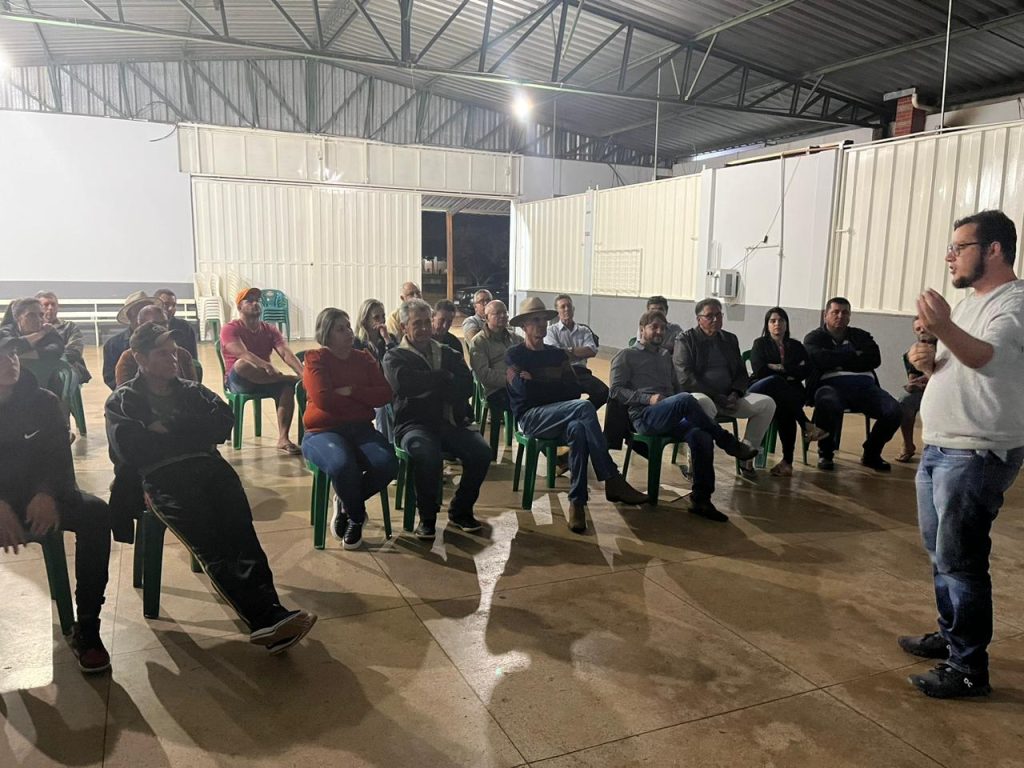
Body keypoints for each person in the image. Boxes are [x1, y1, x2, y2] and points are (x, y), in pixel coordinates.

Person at [105, 323, 317, 653]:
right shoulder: (123, 400)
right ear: (139, 358)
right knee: (212, 544)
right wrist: (190, 432)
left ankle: (273, 613)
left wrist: (166, 428)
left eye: (173, 352)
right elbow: (132, 449)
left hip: (211, 470)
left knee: (242, 537)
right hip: (163, 478)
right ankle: (263, 619)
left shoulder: (193, 391)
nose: (173, 359)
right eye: (162, 353)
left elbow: (222, 423)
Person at [897, 210, 1024, 699]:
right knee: (942, 554)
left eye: (960, 247)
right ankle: (951, 637)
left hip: (976, 454)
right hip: (942, 448)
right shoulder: (969, 304)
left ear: (994, 249)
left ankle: (969, 667)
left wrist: (943, 327)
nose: (950, 256)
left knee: (962, 561)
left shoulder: (1014, 304)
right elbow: (964, 367)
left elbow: (986, 359)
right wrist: (929, 363)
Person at [0, 335, 113, 673]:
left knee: (96, 513)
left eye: (12, 353)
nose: (10, 361)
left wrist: (47, 492)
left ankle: (87, 626)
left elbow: (58, 455)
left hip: (39, 497)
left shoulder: (42, 400)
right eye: (0, 356)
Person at [507, 297, 648, 534]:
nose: (541, 325)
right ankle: (611, 477)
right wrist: (552, 385)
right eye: (535, 320)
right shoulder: (515, 355)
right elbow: (522, 392)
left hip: (561, 416)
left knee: (579, 429)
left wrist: (537, 381)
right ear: (524, 326)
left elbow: (573, 389)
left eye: (544, 320)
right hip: (531, 419)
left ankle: (577, 503)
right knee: (583, 408)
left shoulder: (558, 355)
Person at [610, 310, 760, 522]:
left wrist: (674, 401)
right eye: (654, 327)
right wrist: (648, 399)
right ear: (642, 329)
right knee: (685, 400)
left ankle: (701, 500)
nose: (659, 331)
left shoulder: (665, 356)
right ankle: (728, 442)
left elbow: (676, 387)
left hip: (669, 413)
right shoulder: (626, 355)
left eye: (663, 328)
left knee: (701, 435)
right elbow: (615, 391)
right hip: (644, 417)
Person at [382, 298, 491, 539]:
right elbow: (404, 385)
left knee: (482, 452)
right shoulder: (394, 357)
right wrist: (442, 377)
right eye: (416, 323)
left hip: (449, 422)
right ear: (404, 327)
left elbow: (466, 385)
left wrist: (428, 385)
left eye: (426, 322)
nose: (423, 328)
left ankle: (460, 510)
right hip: (412, 425)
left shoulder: (448, 351)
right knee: (427, 455)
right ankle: (427, 518)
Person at [301, 308, 397, 550]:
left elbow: (385, 394)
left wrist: (353, 390)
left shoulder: (364, 358)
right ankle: (356, 516)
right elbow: (324, 400)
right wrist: (363, 398)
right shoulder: (315, 359)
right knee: (343, 466)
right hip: (322, 431)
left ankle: (345, 502)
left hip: (360, 429)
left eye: (348, 327)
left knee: (387, 464)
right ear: (326, 333)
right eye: (340, 329)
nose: (348, 332)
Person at [673, 298, 776, 481]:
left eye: (719, 315)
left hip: (730, 398)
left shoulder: (729, 339)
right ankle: (696, 465)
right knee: (702, 405)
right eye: (709, 316)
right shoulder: (686, 340)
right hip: (703, 395)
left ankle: (746, 456)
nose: (715, 319)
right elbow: (686, 377)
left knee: (767, 404)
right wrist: (716, 396)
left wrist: (735, 393)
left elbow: (741, 373)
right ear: (699, 319)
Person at [803, 297, 901, 472]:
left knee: (894, 411)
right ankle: (826, 453)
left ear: (849, 316)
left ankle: (871, 453)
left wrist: (834, 359)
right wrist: (855, 356)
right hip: (830, 387)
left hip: (865, 389)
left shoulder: (861, 336)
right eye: (835, 312)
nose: (840, 316)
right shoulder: (814, 338)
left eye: (845, 312)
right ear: (826, 315)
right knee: (827, 401)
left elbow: (874, 359)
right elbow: (819, 359)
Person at [220, 287, 304, 455]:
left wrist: (303, 374)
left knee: (287, 389)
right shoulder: (230, 328)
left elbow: (286, 353)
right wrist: (266, 365)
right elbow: (242, 353)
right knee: (242, 364)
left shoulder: (270, 329)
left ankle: (283, 439)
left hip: (266, 379)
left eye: (257, 300)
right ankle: (287, 378)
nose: (255, 303)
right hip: (239, 380)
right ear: (239, 307)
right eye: (249, 301)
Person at [747, 307, 828, 476]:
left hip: (790, 392)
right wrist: (790, 372)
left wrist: (780, 367)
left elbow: (806, 370)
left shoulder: (796, 346)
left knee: (785, 409)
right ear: (767, 325)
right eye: (773, 321)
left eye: (781, 320)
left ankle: (787, 463)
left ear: (786, 324)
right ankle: (806, 424)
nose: (777, 324)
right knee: (776, 383)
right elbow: (760, 370)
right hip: (763, 389)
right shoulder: (760, 344)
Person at [544, 294, 609, 411]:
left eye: (569, 306)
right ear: (557, 311)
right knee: (568, 396)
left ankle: (581, 411)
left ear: (573, 309)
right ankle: (575, 413)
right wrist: (579, 351)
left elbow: (592, 351)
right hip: (562, 374)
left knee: (604, 392)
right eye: (563, 307)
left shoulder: (584, 330)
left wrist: (568, 350)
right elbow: (556, 354)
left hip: (581, 372)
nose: (566, 309)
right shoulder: (551, 331)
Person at [115, 305, 197, 386]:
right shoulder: (128, 358)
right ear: (140, 326)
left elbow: (193, 389)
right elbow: (124, 390)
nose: (162, 327)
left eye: (165, 323)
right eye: (154, 325)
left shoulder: (183, 354)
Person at [354, 298, 398, 441]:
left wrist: (387, 340)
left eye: (383, 316)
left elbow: (398, 361)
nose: (381, 321)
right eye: (376, 317)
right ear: (365, 320)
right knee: (383, 406)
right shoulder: (357, 343)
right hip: (369, 388)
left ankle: (401, 439)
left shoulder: (389, 338)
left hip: (389, 386)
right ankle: (387, 442)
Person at [895, 316, 937, 463]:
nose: (922, 331)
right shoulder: (912, 353)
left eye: (924, 327)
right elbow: (913, 379)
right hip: (925, 390)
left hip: (947, 392)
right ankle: (908, 445)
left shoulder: (948, 349)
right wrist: (913, 385)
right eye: (918, 329)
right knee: (905, 400)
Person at [468, 300, 520, 418]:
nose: (503, 316)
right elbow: (484, 375)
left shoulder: (514, 337)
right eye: (497, 313)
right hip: (496, 390)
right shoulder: (479, 342)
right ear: (486, 317)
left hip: (518, 385)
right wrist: (511, 381)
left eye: (505, 312)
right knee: (526, 401)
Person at [1, 297, 66, 387]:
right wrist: (40, 334)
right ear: (17, 317)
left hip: (44, 382)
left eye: (41, 315)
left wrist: (20, 355)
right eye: (31, 315)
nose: (38, 319)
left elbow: (55, 350)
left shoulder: (50, 332)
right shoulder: (5, 331)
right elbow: (10, 347)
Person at [103, 291, 161, 390]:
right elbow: (110, 377)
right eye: (139, 312)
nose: (145, 316)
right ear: (130, 316)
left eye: (148, 311)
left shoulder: (166, 340)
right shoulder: (113, 345)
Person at [36, 291, 92, 384]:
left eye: (53, 304)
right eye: (46, 305)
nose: (50, 308)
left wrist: (45, 358)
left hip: (66, 370)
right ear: (38, 308)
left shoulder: (70, 327)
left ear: (58, 307)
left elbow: (74, 351)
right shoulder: (32, 329)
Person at [154, 288, 199, 360]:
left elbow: (193, 359)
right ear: (155, 305)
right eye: (166, 304)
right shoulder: (148, 328)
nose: (170, 308)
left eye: (174, 305)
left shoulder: (185, 327)